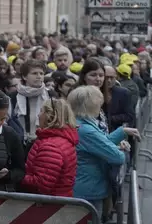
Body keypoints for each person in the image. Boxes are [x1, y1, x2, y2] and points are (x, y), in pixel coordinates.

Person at [68, 86, 140, 219]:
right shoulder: (87, 130)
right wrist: (121, 149)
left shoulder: (82, 123)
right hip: (88, 189)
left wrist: (121, 132)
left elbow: (101, 142)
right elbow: (116, 157)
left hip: (85, 185)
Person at [21, 98, 78, 196]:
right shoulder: (63, 139)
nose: (38, 115)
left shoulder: (50, 146)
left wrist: (16, 177)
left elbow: (41, 184)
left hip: (49, 206)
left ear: (49, 116)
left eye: (41, 111)